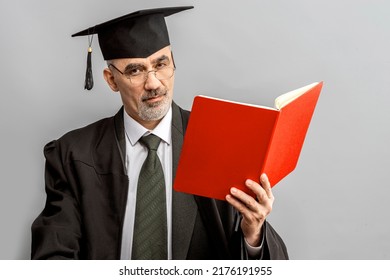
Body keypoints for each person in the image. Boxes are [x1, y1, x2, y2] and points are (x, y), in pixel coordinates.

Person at [31, 6, 288, 260]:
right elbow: (54, 255)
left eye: (161, 64)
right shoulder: (73, 154)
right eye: (135, 70)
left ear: (173, 63)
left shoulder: (218, 140)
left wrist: (253, 233)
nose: (153, 83)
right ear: (111, 80)